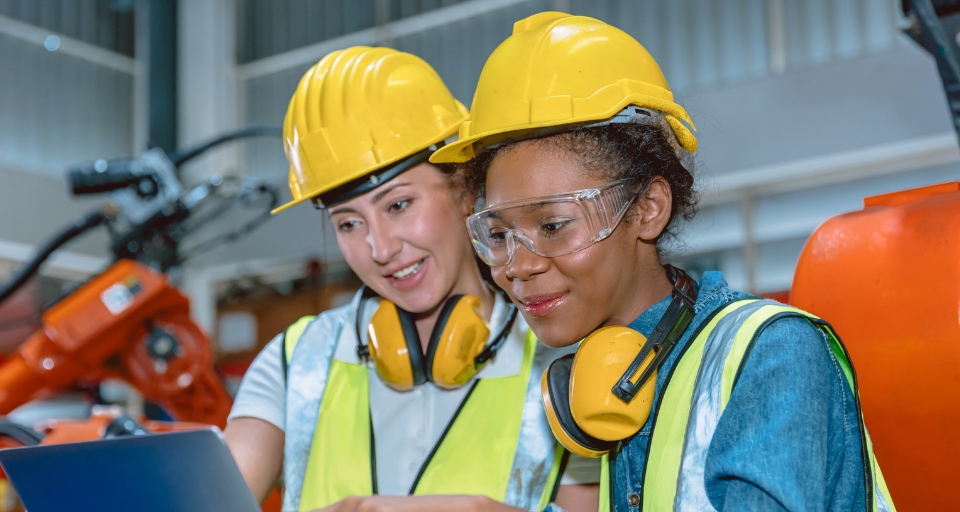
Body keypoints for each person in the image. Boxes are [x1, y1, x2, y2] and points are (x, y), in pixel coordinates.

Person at [430, 12, 897, 512]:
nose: (517, 266)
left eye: (553, 225)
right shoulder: (612, 378)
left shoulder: (772, 353)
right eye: (498, 235)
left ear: (647, 209)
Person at [223, 46, 600, 512]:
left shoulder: (557, 359)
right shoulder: (296, 361)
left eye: (398, 205)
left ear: (464, 187)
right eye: (348, 223)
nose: (380, 249)